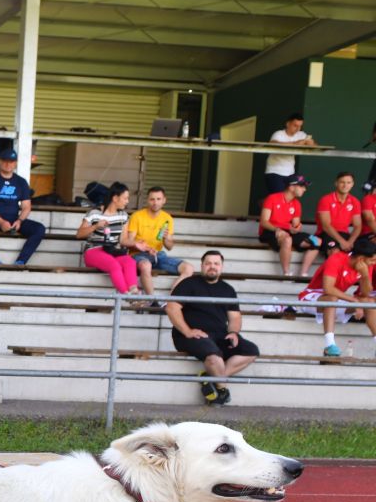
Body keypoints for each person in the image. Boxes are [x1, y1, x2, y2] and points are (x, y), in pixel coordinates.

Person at [165, 251, 259, 406]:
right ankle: (222, 392)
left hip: (219, 335)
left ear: (221, 267)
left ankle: (209, 378)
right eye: (208, 263)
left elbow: (235, 317)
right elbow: (171, 308)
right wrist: (187, 331)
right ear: (202, 266)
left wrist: (233, 332)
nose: (212, 267)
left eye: (216, 264)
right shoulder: (189, 283)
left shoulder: (227, 289)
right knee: (214, 357)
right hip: (189, 335)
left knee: (251, 350)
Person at [296, 241, 376, 357]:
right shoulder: (336, 259)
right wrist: (355, 301)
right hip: (311, 297)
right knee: (331, 298)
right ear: (361, 259)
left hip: (336, 299)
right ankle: (330, 345)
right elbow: (328, 288)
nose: (374, 263)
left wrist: (364, 276)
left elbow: (366, 293)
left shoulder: (367, 266)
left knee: (369, 302)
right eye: (372, 260)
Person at [0, 148, 45, 266]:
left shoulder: (21, 182)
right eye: (5, 161)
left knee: (39, 229)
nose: (8, 164)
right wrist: (0, 221)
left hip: (14, 219)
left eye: (11, 161)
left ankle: (21, 261)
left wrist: (20, 221)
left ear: (15, 163)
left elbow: (26, 206)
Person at [76, 181, 142, 302]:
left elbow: (123, 239)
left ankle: (134, 291)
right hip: (94, 251)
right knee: (114, 266)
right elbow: (79, 234)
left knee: (130, 262)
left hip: (113, 251)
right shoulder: (95, 213)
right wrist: (95, 226)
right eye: (125, 198)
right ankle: (128, 297)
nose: (127, 201)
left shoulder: (123, 215)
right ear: (115, 198)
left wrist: (136, 244)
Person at [125, 185, 195, 299]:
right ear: (147, 200)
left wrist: (167, 238)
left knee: (189, 268)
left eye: (158, 199)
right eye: (152, 199)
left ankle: (171, 298)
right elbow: (130, 241)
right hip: (138, 255)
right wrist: (144, 247)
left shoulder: (167, 218)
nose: (155, 202)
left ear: (164, 200)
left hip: (158, 255)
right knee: (146, 265)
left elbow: (169, 247)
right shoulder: (137, 216)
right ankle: (152, 300)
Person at [258, 174, 320, 277]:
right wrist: (277, 229)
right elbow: (264, 221)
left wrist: (297, 227)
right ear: (291, 187)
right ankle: (286, 273)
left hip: (287, 231)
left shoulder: (297, 203)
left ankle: (303, 274)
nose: (304, 189)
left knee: (317, 241)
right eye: (301, 186)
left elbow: (296, 224)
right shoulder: (272, 198)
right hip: (270, 230)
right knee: (287, 239)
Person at [263, 113, 315, 196]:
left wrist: (311, 143)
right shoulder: (279, 134)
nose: (298, 129)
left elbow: (315, 147)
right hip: (274, 172)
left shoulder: (301, 134)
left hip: (290, 173)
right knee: (278, 199)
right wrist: (296, 143)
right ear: (288, 124)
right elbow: (273, 144)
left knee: (289, 199)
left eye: (300, 126)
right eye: (295, 125)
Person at [315, 172, 361, 255]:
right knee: (335, 252)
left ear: (352, 184)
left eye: (348, 182)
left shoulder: (355, 201)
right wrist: (342, 242)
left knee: (362, 254)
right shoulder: (326, 199)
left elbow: (358, 225)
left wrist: (350, 241)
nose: (345, 185)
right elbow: (326, 226)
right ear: (336, 183)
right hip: (326, 234)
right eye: (342, 182)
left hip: (345, 234)